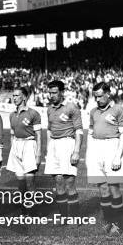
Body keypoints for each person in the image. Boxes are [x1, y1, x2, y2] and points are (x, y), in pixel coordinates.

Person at [87, 82, 123, 236]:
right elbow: (90, 134)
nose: (97, 100)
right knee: (103, 188)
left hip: (112, 148)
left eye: (99, 96)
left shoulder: (119, 110)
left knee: (114, 188)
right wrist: (88, 154)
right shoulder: (93, 112)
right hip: (96, 149)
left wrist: (118, 156)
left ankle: (117, 224)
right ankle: (109, 221)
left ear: (108, 94)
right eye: (95, 97)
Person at [44, 80, 83, 217]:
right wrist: (49, 149)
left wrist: (76, 151)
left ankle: (75, 216)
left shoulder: (71, 107)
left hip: (67, 144)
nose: (51, 95)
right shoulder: (49, 109)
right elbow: (49, 130)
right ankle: (63, 217)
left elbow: (79, 131)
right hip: (53, 145)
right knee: (58, 180)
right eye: (50, 93)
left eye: (54, 92)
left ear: (62, 93)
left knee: (69, 180)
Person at [6, 87, 42, 210]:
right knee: (20, 181)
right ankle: (24, 207)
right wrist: (13, 150)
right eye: (13, 95)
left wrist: (38, 155)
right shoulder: (12, 115)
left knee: (30, 181)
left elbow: (38, 136)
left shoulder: (33, 113)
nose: (14, 98)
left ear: (24, 97)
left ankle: (34, 208)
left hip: (29, 145)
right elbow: (12, 134)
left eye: (17, 95)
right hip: (16, 145)